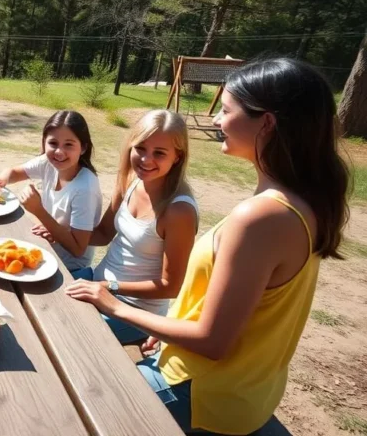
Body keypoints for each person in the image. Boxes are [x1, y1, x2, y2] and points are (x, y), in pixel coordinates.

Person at [66, 58, 349, 435]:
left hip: (202, 393)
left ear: (266, 123)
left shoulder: (261, 217)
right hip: (243, 391)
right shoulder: (301, 203)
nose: (216, 119)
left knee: (73, 405)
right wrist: (171, 325)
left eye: (226, 110)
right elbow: (238, 309)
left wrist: (112, 302)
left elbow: (213, 341)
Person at [68, 110, 198, 344]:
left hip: (135, 311)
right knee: (37, 294)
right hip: (99, 282)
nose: (146, 160)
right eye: (140, 148)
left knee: (67, 330)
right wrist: (59, 232)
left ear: (177, 157)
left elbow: (171, 287)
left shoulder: (179, 211)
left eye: (159, 153)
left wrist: (111, 287)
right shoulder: (129, 180)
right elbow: (103, 233)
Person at [0, 110, 102, 274]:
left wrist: (39, 211)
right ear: (44, 142)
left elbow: (78, 249)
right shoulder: (48, 163)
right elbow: (16, 172)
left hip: (67, 268)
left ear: (83, 148)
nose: (59, 152)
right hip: (44, 251)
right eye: (53, 143)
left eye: (69, 144)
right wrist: (2, 178)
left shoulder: (85, 188)